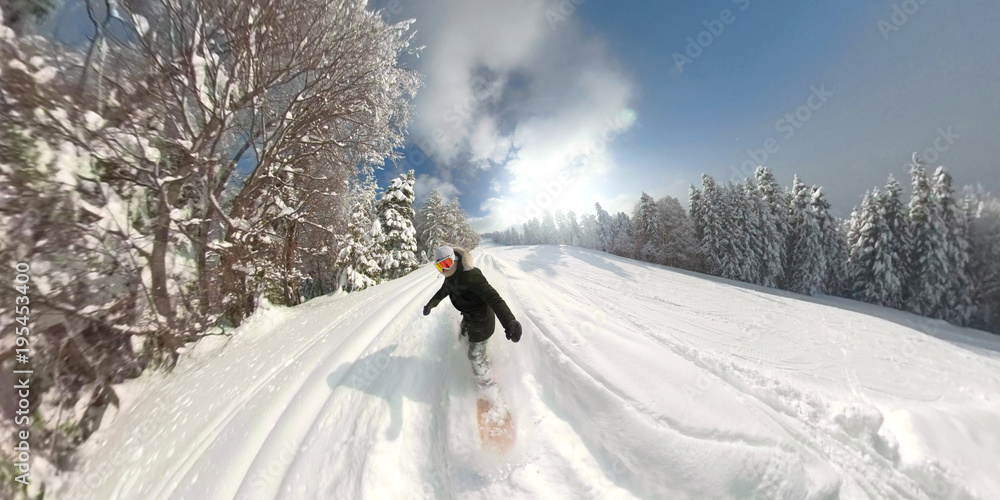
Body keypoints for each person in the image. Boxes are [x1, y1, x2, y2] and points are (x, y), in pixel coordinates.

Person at [423, 245, 522, 388]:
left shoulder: (472, 276)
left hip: (482, 321)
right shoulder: (450, 278)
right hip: (468, 318)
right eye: (439, 267)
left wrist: (509, 322)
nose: (444, 270)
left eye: (446, 264)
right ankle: (481, 358)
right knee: (461, 337)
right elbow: (443, 291)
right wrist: (430, 305)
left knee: (474, 355)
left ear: (454, 259)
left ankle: (487, 384)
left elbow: (493, 298)